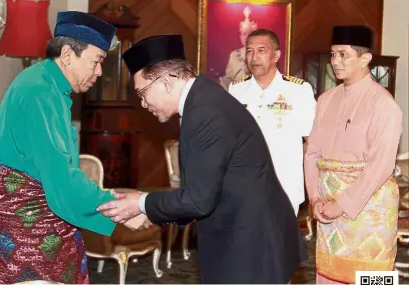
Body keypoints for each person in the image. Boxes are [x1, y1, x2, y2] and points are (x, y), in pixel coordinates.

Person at [96, 34, 307, 284]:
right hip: (244, 236)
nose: (143, 104)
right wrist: (149, 211)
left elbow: (199, 200)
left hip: (251, 246)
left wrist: (142, 203)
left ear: (165, 81)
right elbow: (202, 192)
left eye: (143, 93)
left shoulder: (205, 113)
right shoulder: (202, 99)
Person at [0, 11, 121, 284]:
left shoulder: (45, 84)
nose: (99, 72)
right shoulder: (39, 93)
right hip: (30, 233)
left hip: (41, 225)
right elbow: (61, 179)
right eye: (97, 61)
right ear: (69, 55)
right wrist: (115, 207)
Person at [304, 25, 403, 284]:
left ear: (365, 58)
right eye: (333, 54)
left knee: (370, 278)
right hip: (327, 207)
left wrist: (342, 204)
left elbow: (381, 167)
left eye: (343, 54)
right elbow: (312, 152)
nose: (335, 61)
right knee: (328, 274)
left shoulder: (384, 105)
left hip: (369, 209)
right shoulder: (325, 100)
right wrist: (315, 198)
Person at [228, 28, 316, 216]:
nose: (254, 57)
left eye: (261, 50)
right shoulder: (236, 89)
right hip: (244, 186)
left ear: (276, 55)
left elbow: (312, 143)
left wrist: (314, 188)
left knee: (279, 244)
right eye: (250, 51)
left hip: (283, 186)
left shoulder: (298, 91)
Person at [218, 6, 256, 90]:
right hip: (237, 96)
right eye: (244, 34)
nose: (246, 37)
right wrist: (222, 82)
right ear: (240, 36)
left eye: (249, 33)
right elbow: (229, 78)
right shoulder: (234, 55)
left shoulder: (262, 54)